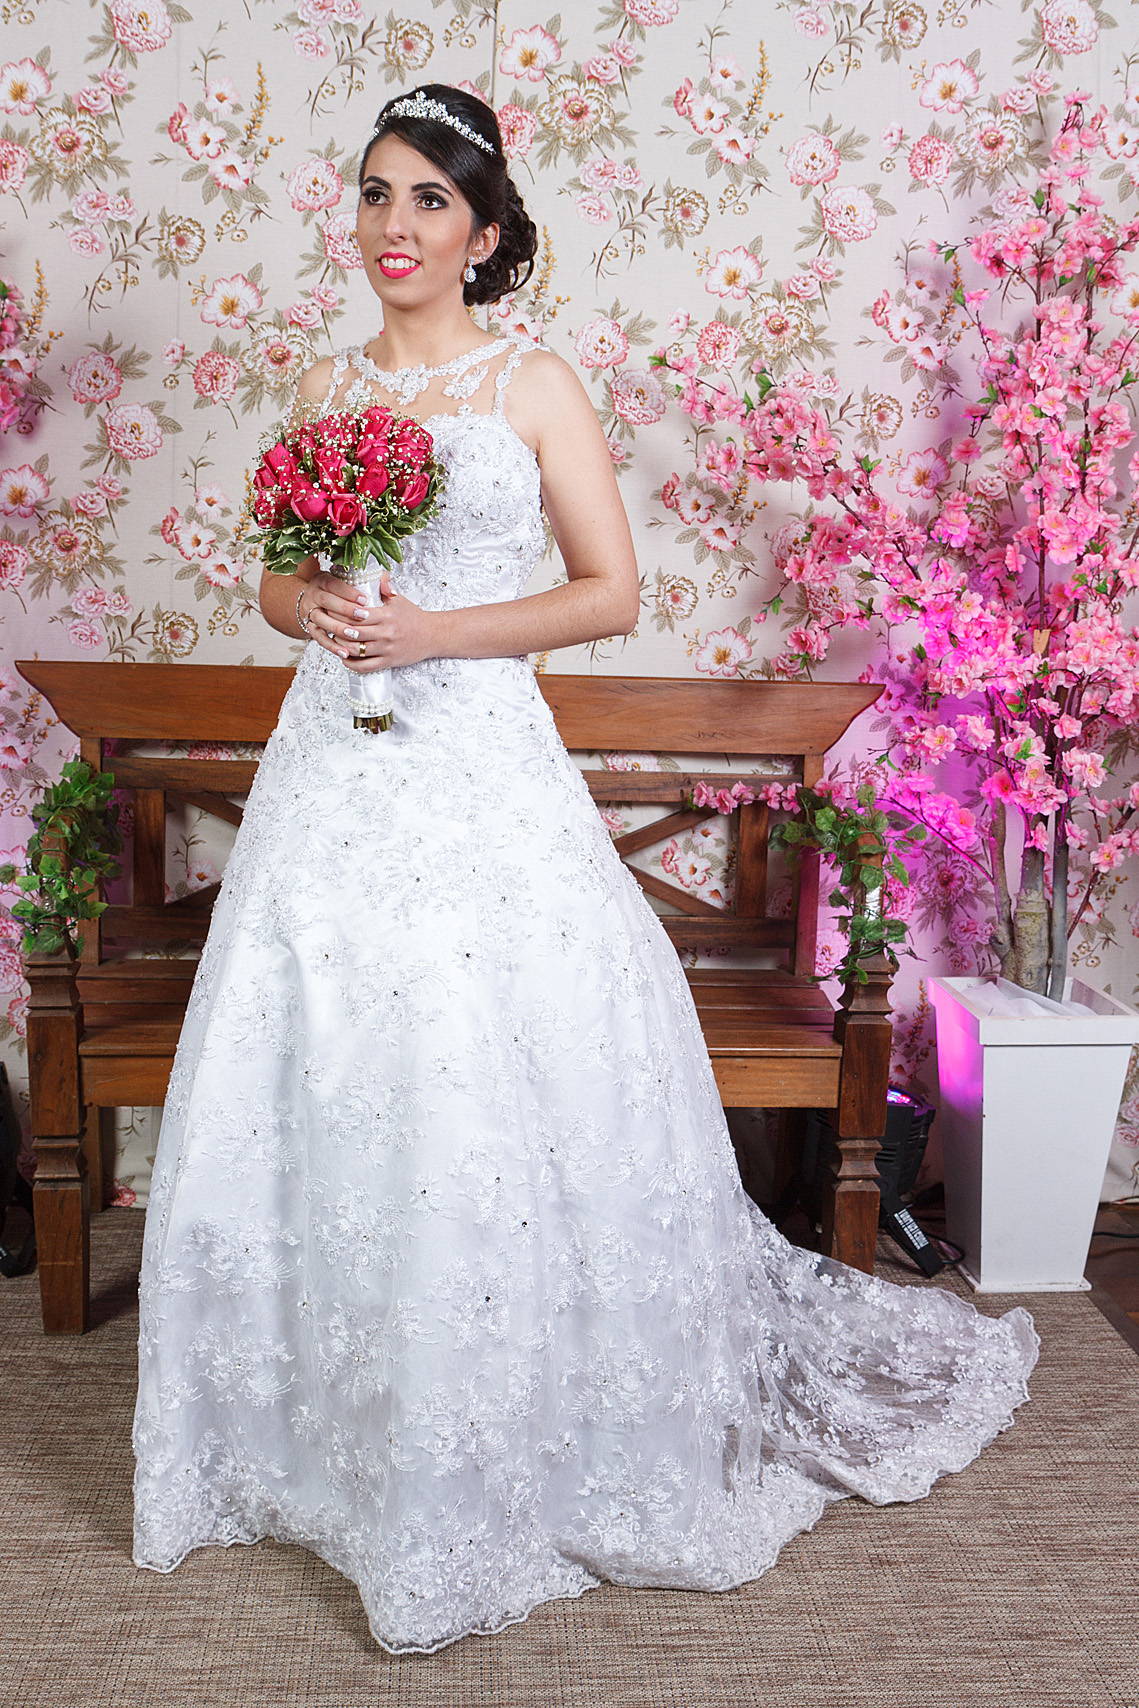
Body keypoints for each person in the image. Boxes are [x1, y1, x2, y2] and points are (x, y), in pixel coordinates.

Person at [132, 84, 1040, 1656]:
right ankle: (322, 1426)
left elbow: (608, 592)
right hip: (334, 774)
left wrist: (430, 633)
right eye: (374, 196)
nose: (394, 228)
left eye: (429, 201)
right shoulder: (323, 387)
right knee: (331, 1057)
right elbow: (279, 577)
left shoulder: (533, 382)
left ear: (483, 234)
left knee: (487, 1064)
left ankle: (507, 1406)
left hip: (481, 764)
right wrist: (325, 615)